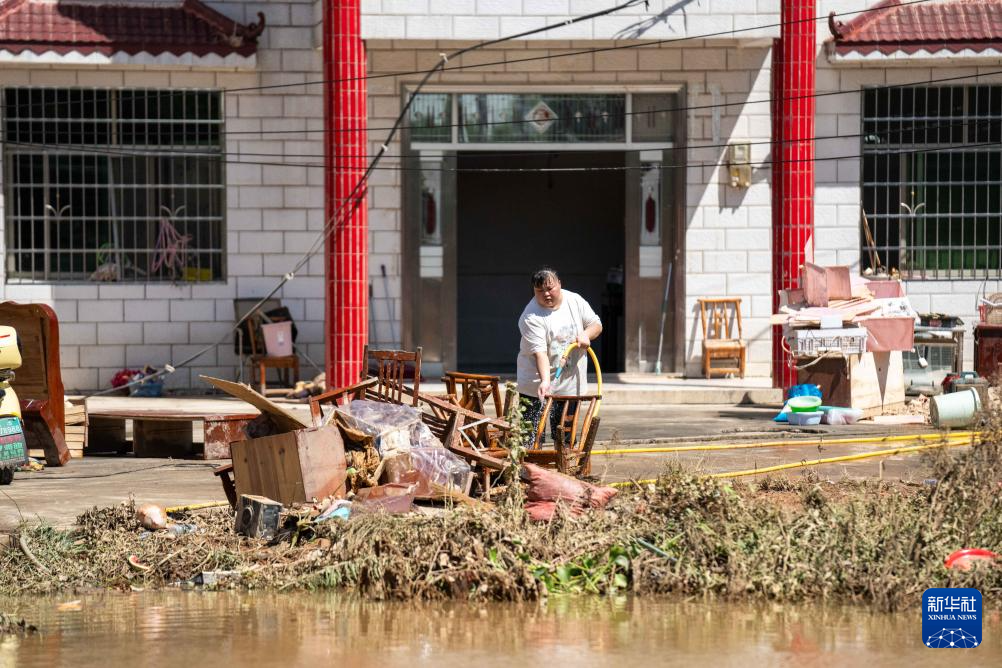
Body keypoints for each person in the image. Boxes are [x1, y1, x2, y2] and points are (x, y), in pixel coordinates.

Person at [516, 268, 602, 445]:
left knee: (565, 437)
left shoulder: (575, 300)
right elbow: (540, 354)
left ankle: (565, 471)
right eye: (540, 291)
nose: (546, 294)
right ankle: (529, 470)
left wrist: (586, 334)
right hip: (536, 386)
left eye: (550, 288)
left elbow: (596, 324)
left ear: (559, 284)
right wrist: (546, 381)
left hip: (570, 384)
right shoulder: (531, 316)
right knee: (531, 438)